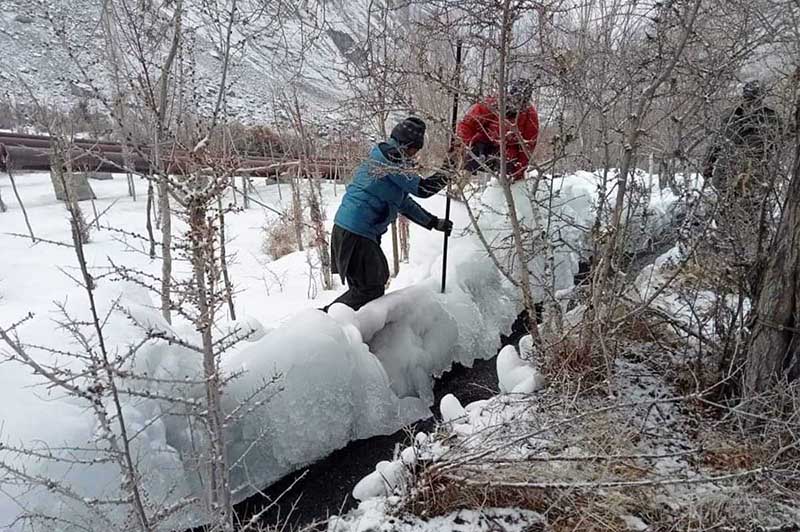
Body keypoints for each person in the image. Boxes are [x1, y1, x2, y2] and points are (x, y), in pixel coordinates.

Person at [327, 117, 453, 311]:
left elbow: (404, 203)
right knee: (369, 289)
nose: (415, 155)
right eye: (415, 150)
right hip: (356, 232)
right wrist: (449, 169)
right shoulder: (391, 160)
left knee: (371, 285)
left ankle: (343, 327)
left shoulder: (388, 158)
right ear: (408, 145)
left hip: (353, 231)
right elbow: (424, 189)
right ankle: (327, 323)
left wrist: (434, 222)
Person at [456, 79, 540, 182]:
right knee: (472, 155)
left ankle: (500, 192)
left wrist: (518, 172)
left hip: (507, 152)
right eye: (514, 100)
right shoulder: (492, 103)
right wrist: (465, 146)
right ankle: (459, 185)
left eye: (520, 103)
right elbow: (467, 124)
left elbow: (528, 147)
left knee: (508, 165)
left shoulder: (530, 116)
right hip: (484, 144)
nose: (516, 105)